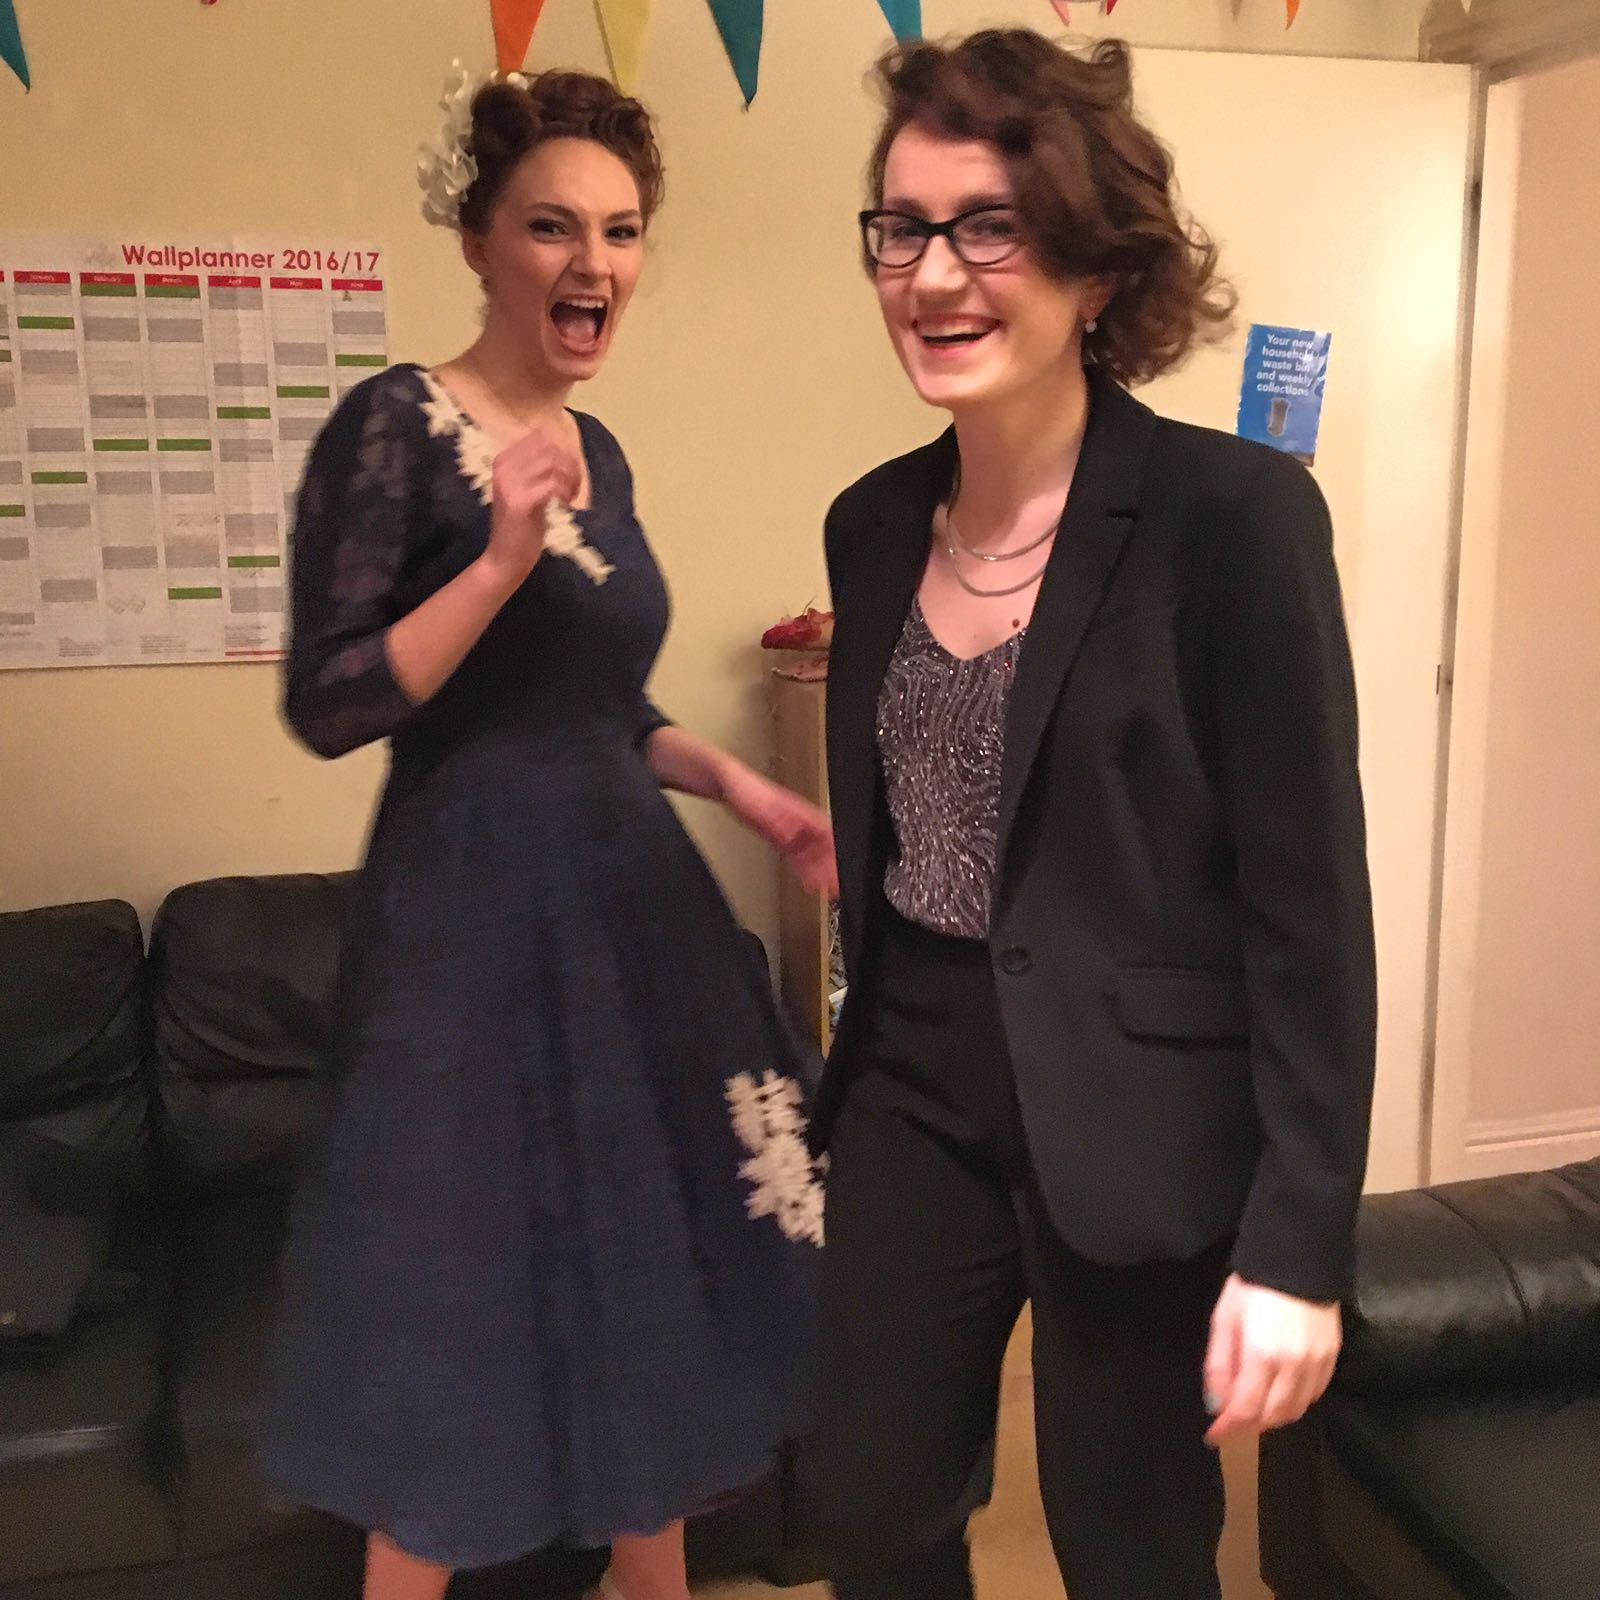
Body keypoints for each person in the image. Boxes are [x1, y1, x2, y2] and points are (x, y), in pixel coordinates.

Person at [810, 30, 1376, 1600]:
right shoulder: (871, 525)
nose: (934, 274)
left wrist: (1298, 1243)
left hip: (1139, 1100)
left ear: (1098, 271)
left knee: (1129, 1544)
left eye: (990, 227)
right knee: (863, 1509)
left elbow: (1310, 909)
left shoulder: (1234, 520)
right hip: (912, 1074)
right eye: (902, 227)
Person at [262, 65, 833, 1600]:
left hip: (626, 924)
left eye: (623, 231)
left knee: (650, 1302)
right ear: (478, 243)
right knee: (455, 1329)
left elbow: (601, 706)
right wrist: (497, 562)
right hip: (466, 941)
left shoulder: (606, 453)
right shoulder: (393, 425)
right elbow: (331, 701)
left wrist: (738, 783)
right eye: (553, 226)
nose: (595, 263)